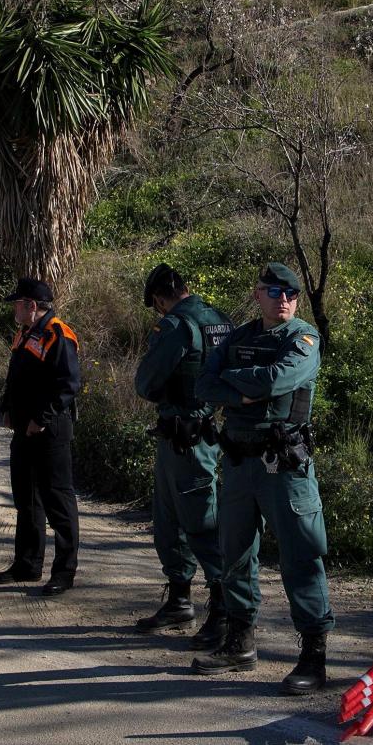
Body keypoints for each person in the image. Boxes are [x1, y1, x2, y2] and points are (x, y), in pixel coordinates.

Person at [190, 262, 332, 695]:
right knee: (234, 552)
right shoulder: (239, 337)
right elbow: (203, 385)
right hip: (237, 462)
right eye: (275, 292)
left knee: (301, 555)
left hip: (283, 464)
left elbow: (281, 378)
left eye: (291, 294)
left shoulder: (303, 338)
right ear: (258, 296)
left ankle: (313, 655)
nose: (284, 300)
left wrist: (239, 382)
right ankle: (239, 641)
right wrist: (245, 386)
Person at [133, 263, 233, 648]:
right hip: (206, 430)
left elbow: (146, 382)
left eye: (156, 305)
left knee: (191, 520)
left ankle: (222, 608)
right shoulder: (220, 319)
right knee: (178, 515)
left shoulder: (174, 325)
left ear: (160, 298)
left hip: (182, 435)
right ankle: (180, 600)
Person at [0, 278, 82, 596]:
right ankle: (27, 564)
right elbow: (15, 374)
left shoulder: (58, 333)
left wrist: (41, 419)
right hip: (23, 429)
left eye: (17, 303)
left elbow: (69, 384)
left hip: (50, 430)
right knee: (26, 498)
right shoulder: (26, 332)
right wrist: (7, 407)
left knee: (57, 499)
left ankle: (64, 571)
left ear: (32, 305)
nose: (14, 308)